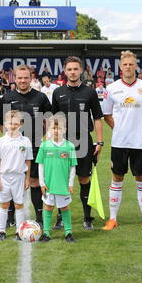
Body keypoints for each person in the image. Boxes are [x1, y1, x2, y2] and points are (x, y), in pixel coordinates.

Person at [102, 50, 142, 232]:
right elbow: (107, 114)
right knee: (117, 178)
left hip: (140, 141)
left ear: (136, 66)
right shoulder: (111, 89)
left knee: (141, 177)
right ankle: (112, 219)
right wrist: (119, 128)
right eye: (125, 64)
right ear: (120, 66)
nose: (128, 67)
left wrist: (137, 127)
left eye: (131, 64)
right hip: (119, 141)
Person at [51, 56, 104, 230]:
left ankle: (87, 218)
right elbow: (53, 120)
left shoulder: (90, 92)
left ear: (81, 70)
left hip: (84, 141)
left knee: (83, 178)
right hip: (62, 142)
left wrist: (100, 142)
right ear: (65, 72)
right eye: (69, 69)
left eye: (75, 69)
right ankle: (60, 217)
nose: (73, 72)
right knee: (60, 180)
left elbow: (97, 118)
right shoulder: (58, 93)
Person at [0, 65, 52, 227]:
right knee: (12, 181)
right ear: (15, 78)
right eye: (19, 78)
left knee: (34, 182)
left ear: (31, 78)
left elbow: (48, 119)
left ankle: (40, 217)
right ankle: (9, 218)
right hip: (13, 148)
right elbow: (1, 123)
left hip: (35, 145)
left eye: (26, 78)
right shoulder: (7, 98)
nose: (22, 81)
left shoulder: (41, 98)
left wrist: (46, 137)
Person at [37, 114, 77, 243]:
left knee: (65, 207)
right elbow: (40, 165)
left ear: (64, 129)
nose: (56, 131)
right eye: (53, 128)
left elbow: (72, 167)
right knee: (48, 207)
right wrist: (42, 183)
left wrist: (70, 183)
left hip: (63, 184)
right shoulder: (44, 146)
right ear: (49, 129)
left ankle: (68, 232)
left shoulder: (70, 146)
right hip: (49, 183)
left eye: (59, 128)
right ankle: (47, 233)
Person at [0, 110, 33, 241]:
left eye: (16, 123)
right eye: (10, 123)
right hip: (5, 177)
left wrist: (27, 179)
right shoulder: (0, 141)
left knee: (18, 205)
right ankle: (2, 230)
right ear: (5, 124)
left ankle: (19, 230)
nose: (13, 126)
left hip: (19, 177)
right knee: (4, 204)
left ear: (21, 124)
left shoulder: (25, 141)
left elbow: (28, 161)